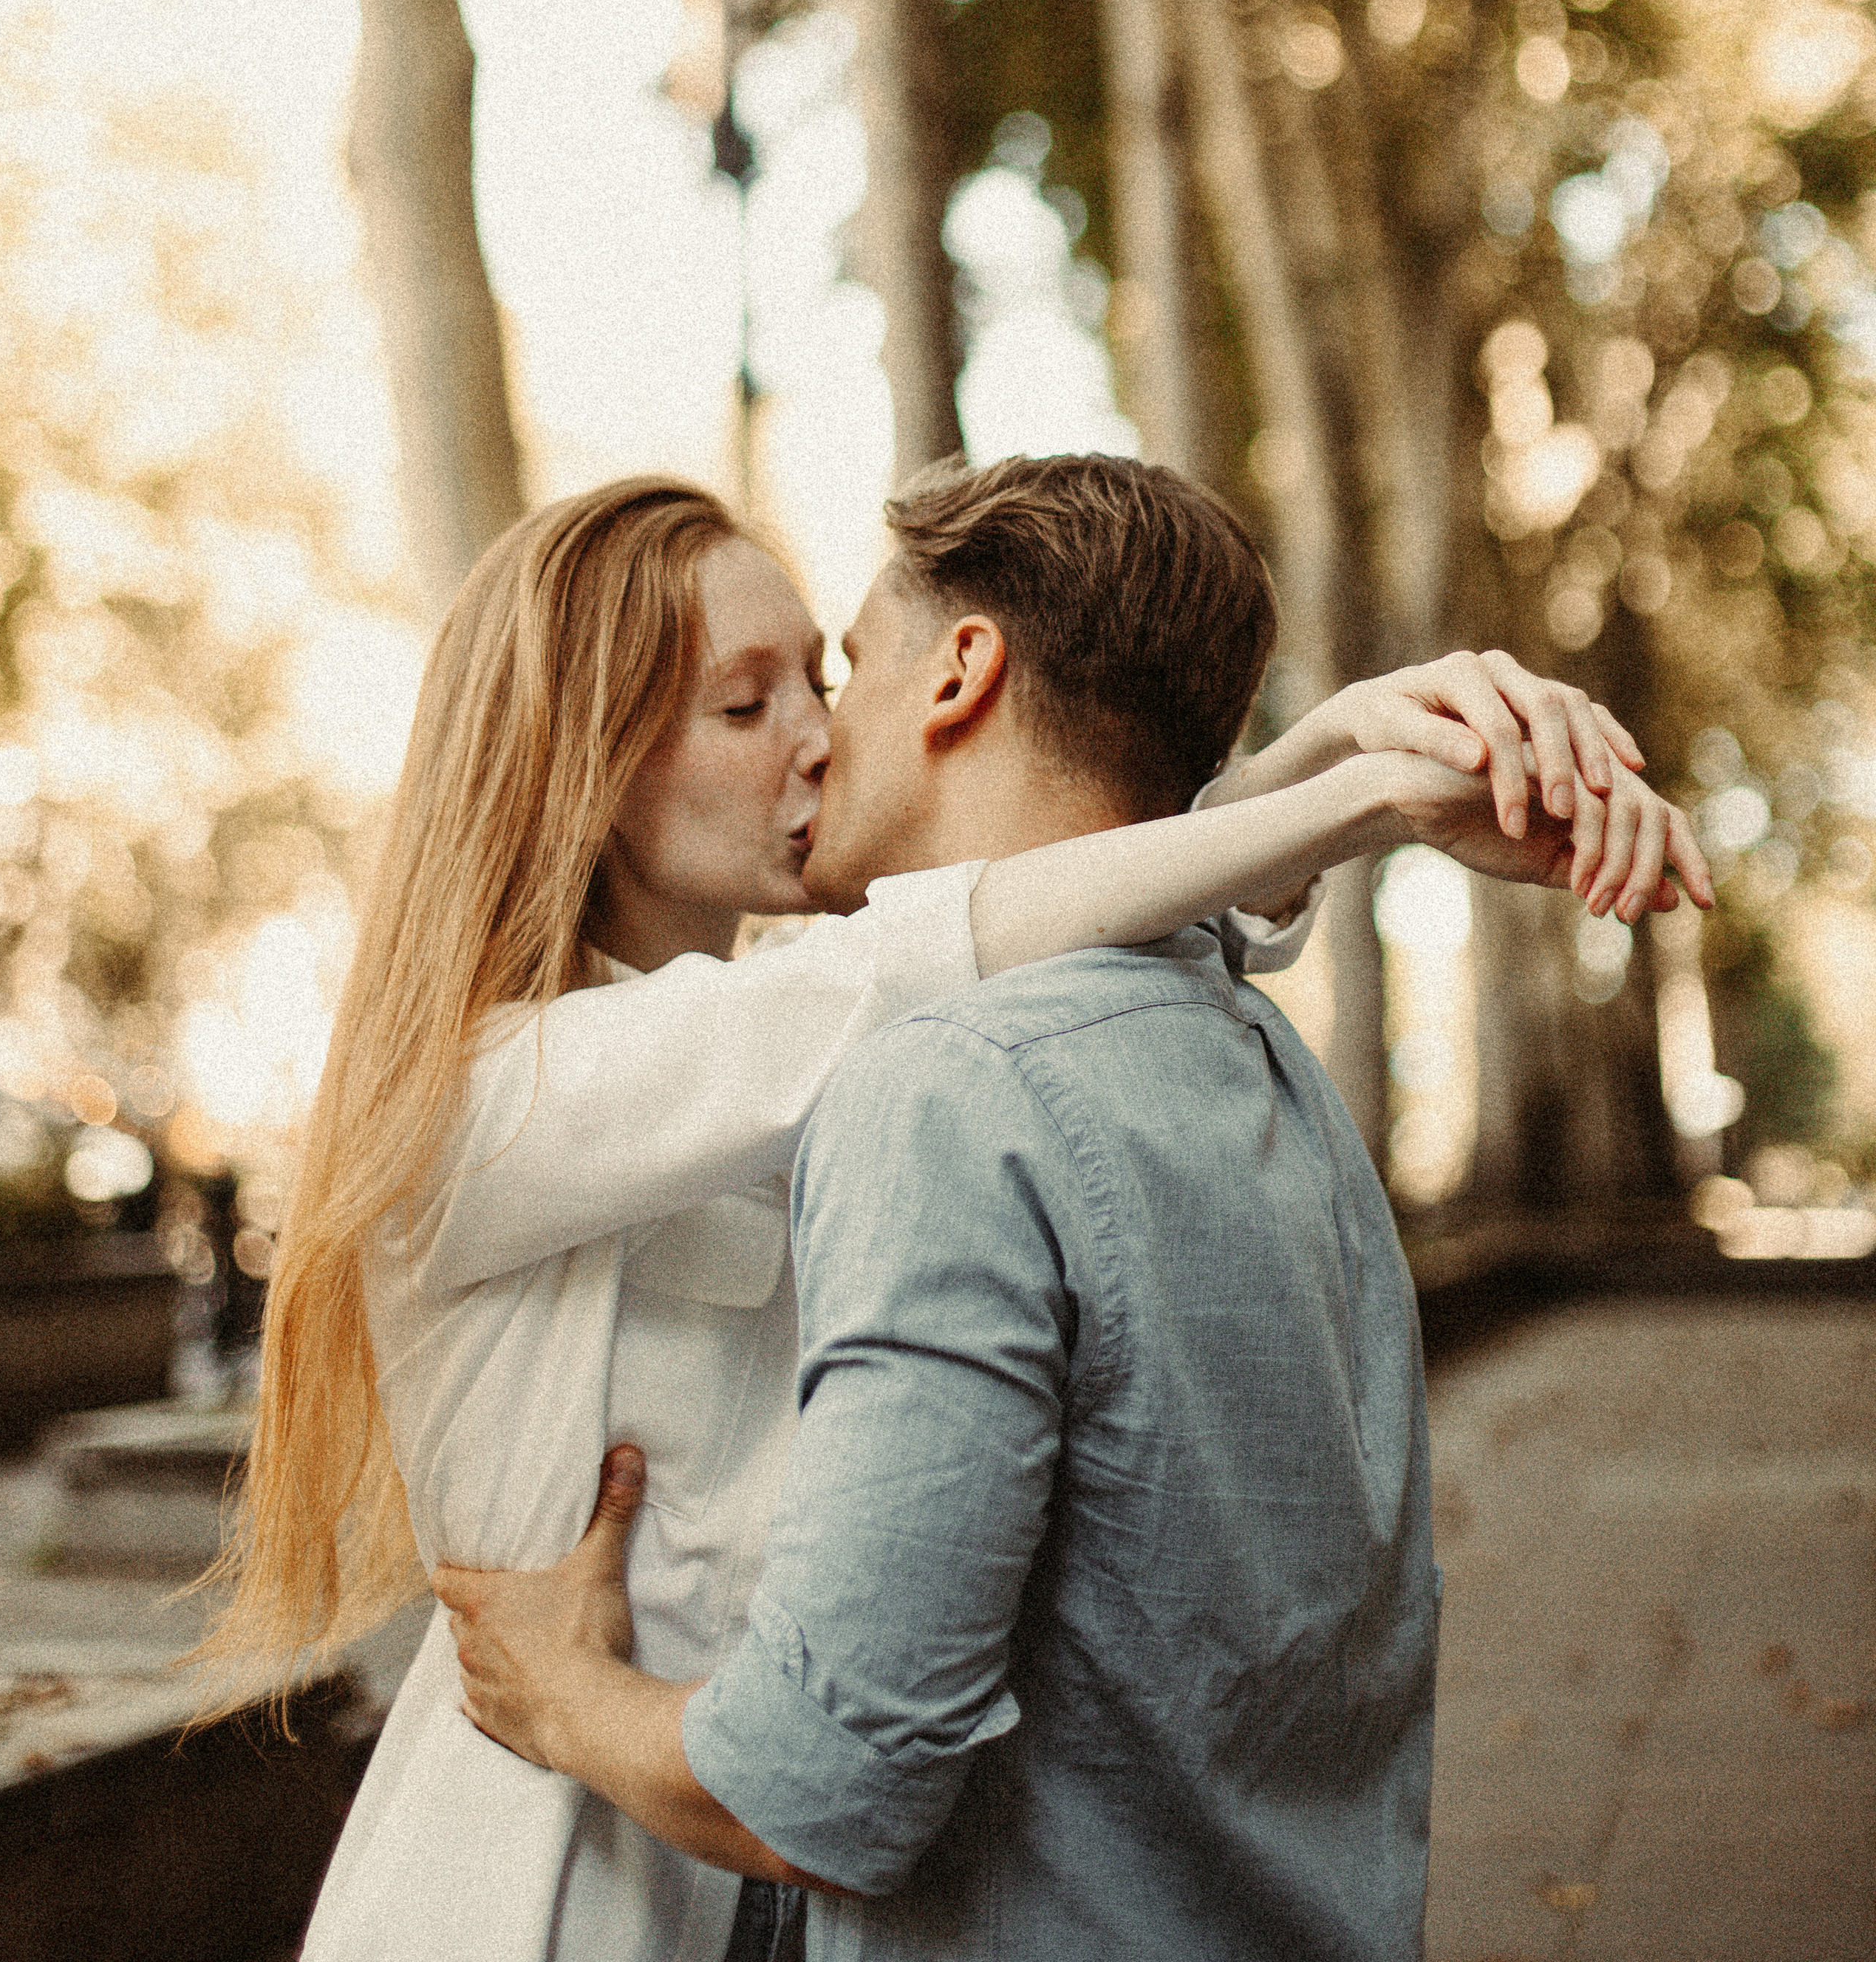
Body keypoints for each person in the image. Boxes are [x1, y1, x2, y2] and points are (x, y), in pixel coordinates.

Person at [436, 454, 1710, 1962]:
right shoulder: (1250, 1070)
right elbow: (947, 949)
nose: (815, 737)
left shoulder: (942, 1094)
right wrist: (1340, 784)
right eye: (742, 702)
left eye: (837, 670)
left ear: (959, 673)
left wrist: (560, 1689)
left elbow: (822, 1781)